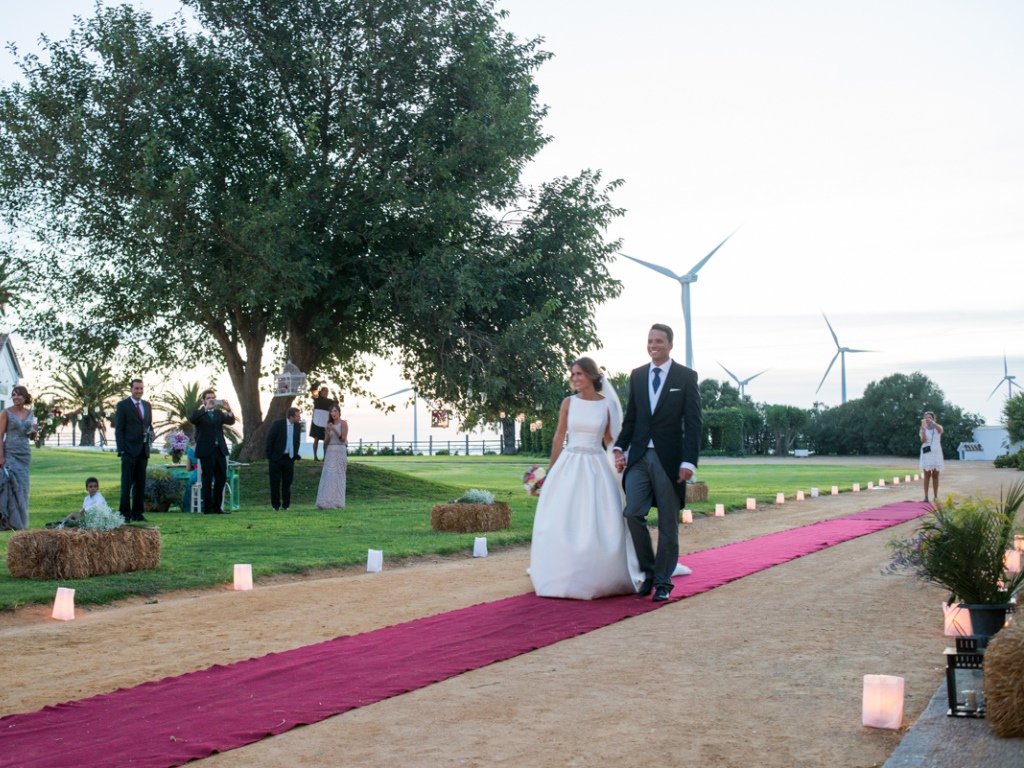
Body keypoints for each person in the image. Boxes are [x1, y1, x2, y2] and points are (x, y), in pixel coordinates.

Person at [530, 358, 641, 599]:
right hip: (569, 463)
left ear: (591, 375)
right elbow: (559, 437)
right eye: (573, 374)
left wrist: (618, 456)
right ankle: (561, 570)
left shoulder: (607, 405)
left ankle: (598, 571)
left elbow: (610, 439)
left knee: (598, 515)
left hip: (595, 463)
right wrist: (551, 471)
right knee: (562, 516)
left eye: (579, 374)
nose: (575, 378)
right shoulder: (568, 403)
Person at [614, 324, 703, 602]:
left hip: (670, 460)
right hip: (639, 457)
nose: (653, 345)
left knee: (668, 523)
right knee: (632, 513)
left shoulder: (686, 377)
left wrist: (689, 461)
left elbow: (694, 423)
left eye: (659, 341)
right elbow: (632, 417)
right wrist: (619, 447)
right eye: (650, 341)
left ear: (670, 345)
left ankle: (663, 582)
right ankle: (649, 571)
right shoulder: (638, 375)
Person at [189, 390, 236, 515]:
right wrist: (205, 409)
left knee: (221, 479)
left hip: (219, 449)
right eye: (208, 398)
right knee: (207, 479)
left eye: (213, 398)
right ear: (203, 400)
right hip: (206, 451)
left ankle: (217, 508)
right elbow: (192, 420)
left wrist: (229, 410)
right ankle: (208, 508)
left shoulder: (219, 413)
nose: (211, 400)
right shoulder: (199, 413)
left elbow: (231, 421)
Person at [114, 378, 154, 522]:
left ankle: (137, 513)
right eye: (136, 388)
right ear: (131, 389)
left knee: (140, 484)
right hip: (129, 451)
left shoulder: (147, 405)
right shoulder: (123, 405)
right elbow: (119, 430)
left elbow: (148, 425)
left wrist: (151, 433)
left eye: (141, 388)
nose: (139, 391)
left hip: (143, 450)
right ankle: (124, 513)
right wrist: (122, 450)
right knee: (126, 484)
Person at [0, 385, 36, 531]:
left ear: (25, 397)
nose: (16, 397)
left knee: (22, 486)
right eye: (13, 395)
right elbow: (0, 435)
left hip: (24, 453)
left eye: (19, 395)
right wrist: (0, 456)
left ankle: (19, 520)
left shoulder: (30, 413)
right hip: (10, 453)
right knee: (10, 485)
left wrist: (35, 431)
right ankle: (8, 521)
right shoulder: (6, 413)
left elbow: (32, 436)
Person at [266, 407, 303, 510]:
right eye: (297, 416)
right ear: (291, 417)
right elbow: (270, 440)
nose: (299, 418)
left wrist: (295, 453)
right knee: (275, 483)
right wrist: (270, 456)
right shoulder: (278, 424)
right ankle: (275, 505)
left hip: (289, 458)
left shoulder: (297, 426)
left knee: (287, 482)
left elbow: (297, 441)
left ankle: (286, 505)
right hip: (276, 458)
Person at [315, 404, 349, 509]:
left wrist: (334, 430)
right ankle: (325, 502)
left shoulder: (343, 424)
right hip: (330, 451)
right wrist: (328, 433)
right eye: (331, 412)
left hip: (340, 450)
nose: (333, 413)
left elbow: (343, 439)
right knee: (328, 476)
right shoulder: (328, 424)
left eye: (335, 411)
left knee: (338, 476)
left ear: (339, 412)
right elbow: (326, 442)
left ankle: (337, 502)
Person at [920, 411, 944, 504]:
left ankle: (936, 496)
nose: (927, 419)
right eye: (926, 417)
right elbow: (923, 440)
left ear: (933, 418)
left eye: (929, 417)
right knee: (926, 475)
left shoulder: (938, 427)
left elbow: (940, 431)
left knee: (935, 475)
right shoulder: (923, 428)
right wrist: (923, 432)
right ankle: (926, 496)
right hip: (927, 452)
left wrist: (932, 423)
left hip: (936, 452)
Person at [309, 386, 337, 461]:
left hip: (325, 421)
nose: (326, 393)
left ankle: (325, 457)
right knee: (316, 438)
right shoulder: (317, 399)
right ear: (321, 392)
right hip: (317, 421)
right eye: (325, 391)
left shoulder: (329, 401)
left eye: (327, 392)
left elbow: (336, 404)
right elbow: (312, 389)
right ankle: (315, 456)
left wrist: (334, 395)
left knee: (326, 439)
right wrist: (318, 383)